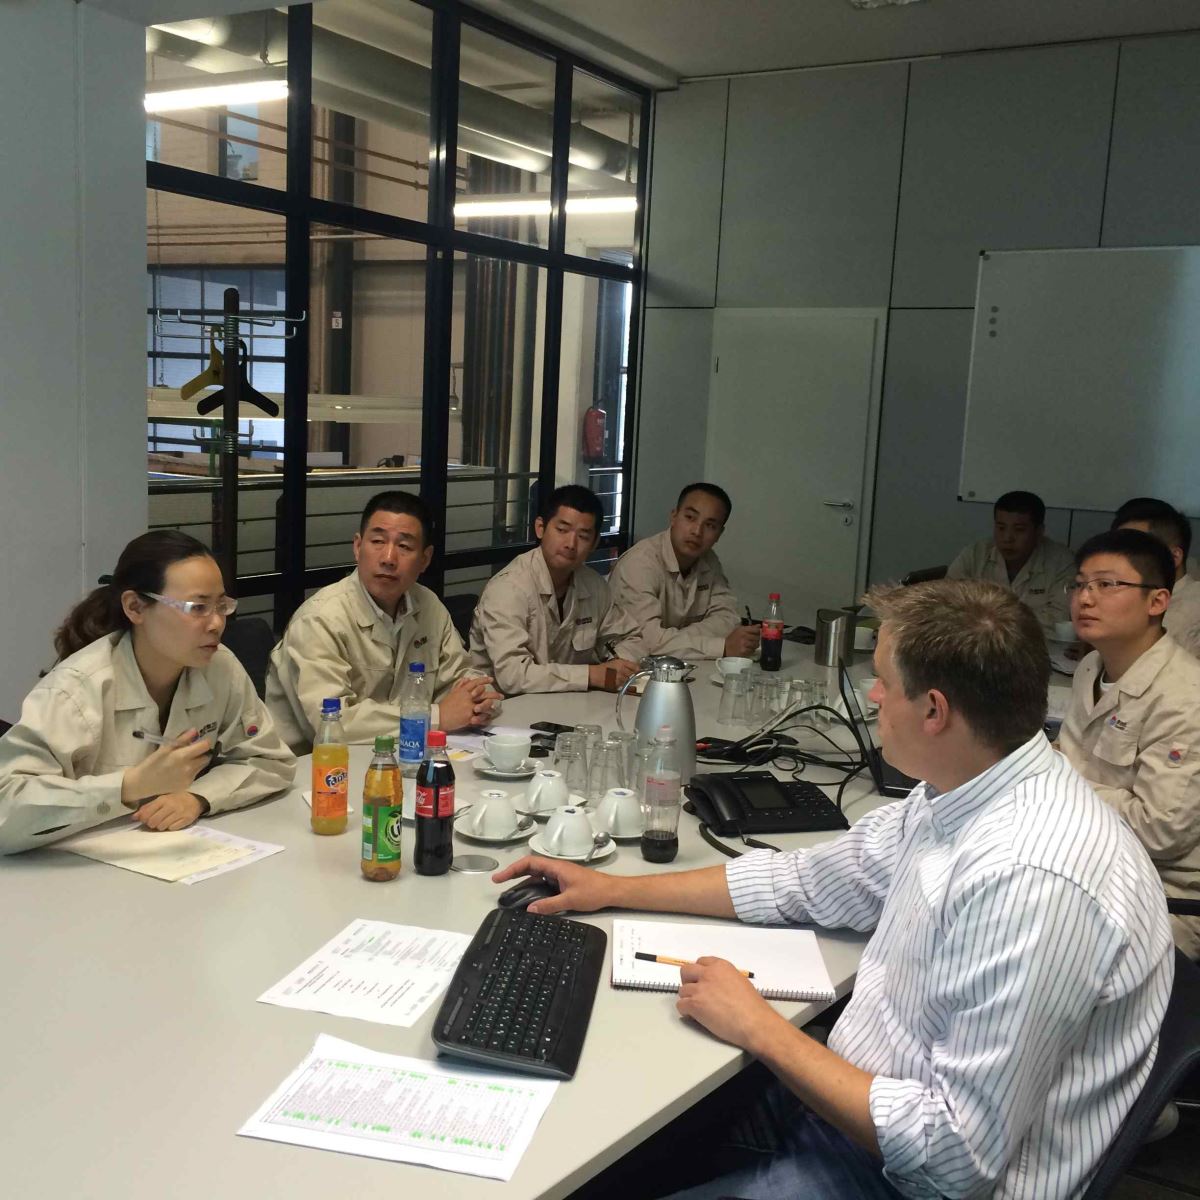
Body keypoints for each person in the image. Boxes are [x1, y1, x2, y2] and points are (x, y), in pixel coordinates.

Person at [496, 579, 1173, 1198]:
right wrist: (613, 889)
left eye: (884, 683)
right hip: (853, 1106)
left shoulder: (1033, 882)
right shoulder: (959, 791)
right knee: (615, 1133)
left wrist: (761, 1028)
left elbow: (951, 1158)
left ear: (934, 710)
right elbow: (804, 880)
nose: (872, 698)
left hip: (904, 1177)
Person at [0, 531, 295, 855]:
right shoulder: (76, 690)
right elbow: (7, 805)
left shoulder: (220, 667)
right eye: (198, 607)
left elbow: (269, 759)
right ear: (135, 607)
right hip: (71, 867)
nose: (216, 624)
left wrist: (198, 797)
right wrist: (128, 786)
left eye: (221, 606)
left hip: (169, 854)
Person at [265, 491, 500, 752]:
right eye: (377, 541)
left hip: (397, 754)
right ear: (358, 547)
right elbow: (333, 721)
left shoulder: (428, 605)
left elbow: (459, 676)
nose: (388, 558)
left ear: (425, 559)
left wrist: (478, 700)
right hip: (316, 763)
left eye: (404, 546)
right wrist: (436, 717)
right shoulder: (319, 618)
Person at [1058, 527, 1200, 959]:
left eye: (1107, 585)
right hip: (1081, 862)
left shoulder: (1186, 696)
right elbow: (1066, 758)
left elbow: (1158, 830)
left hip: (1159, 897)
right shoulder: (1091, 666)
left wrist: (1056, 783)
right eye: (1080, 584)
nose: (1085, 598)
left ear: (1157, 601)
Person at [467, 484, 639, 695]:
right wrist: (592, 675)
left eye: (583, 536)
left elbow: (630, 638)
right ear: (540, 528)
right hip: (503, 706)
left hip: (569, 703)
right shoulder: (508, 588)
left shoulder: (594, 585)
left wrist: (618, 666)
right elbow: (513, 676)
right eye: (562, 530)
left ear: (594, 543)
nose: (571, 544)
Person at [607, 482, 758, 662]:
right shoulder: (639, 563)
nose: (697, 531)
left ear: (719, 533)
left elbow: (728, 618)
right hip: (626, 667)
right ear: (674, 516)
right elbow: (647, 641)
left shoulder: (708, 559)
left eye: (710, 525)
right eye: (690, 518)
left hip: (682, 664)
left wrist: (675, 640)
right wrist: (722, 647)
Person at [946, 489, 1074, 634]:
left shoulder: (1061, 562)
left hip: (1036, 644)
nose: (1007, 538)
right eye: (1001, 528)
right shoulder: (975, 554)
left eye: (1019, 530)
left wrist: (992, 621)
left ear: (1039, 532)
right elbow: (948, 603)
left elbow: (1061, 619)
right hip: (978, 640)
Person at [1113, 496, 1200, 659]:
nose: (1120, 558)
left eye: (1135, 550)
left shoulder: (1192, 604)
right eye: (1117, 548)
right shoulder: (1126, 592)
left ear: (1174, 557)